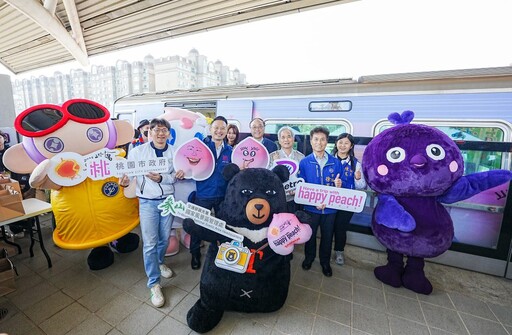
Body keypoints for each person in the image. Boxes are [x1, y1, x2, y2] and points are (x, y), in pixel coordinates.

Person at [119, 118, 185, 308]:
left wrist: (163, 177)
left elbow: (175, 176)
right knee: (150, 243)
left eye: (164, 130)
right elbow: (128, 174)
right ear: (149, 132)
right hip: (147, 202)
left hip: (167, 201)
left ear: (169, 133)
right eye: (156, 130)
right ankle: (154, 283)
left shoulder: (174, 153)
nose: (160, 133)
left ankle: (159, 262)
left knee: (164, 238)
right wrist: (123, 181)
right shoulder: (138, 152)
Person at [297, 126, 342, 277]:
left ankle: (325, 262)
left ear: (327, 141)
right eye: (316, 139)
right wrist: (312, 202)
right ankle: (309, 258)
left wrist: (338, 186)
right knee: (309, 235)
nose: (319, 142)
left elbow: (341, 188)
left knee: (328, 236)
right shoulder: (304, 162)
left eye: (322, 139)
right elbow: (301, 186)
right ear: (311, 141)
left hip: (330, 209)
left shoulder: (336, 163)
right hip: (311, 208)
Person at [189, 116, 233, 270]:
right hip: (203, 194)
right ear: (210, 129)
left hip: (222, 195)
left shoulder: (230, 151)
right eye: (216, 128)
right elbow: (188, 163)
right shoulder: (200, 147)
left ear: (227, 131)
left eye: (223, 128)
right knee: (197, 225)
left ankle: (220, 252)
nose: (219, 131)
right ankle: (195, 254)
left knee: (222, 226)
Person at [331, 133, 366, 266]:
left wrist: (357, 178)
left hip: (347, 202)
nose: (343, 145)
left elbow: (361, 186)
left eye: (346, 143)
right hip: (330, 200)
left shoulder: (356, 164)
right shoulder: (329, 160)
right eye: (340, 142)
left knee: (341, 227)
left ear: (351, 146)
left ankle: (339, 251)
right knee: (329, 227)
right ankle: (326, 250)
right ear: (336, 144)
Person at [269, 126, 305, 213]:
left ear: (293, 139)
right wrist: (275, 163)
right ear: (279, 140)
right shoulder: (272, 156)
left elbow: (304, 178)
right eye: (283, 137)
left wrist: (298, 190)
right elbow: (268, 177)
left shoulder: (301, 157)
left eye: (289, 136)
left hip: (295, 199)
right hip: (277, 198)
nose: (286, 140)